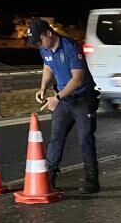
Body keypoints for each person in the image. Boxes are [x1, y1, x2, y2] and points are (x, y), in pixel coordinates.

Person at [27, 19, 100, 193]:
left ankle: (92, 180)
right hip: (64, 101)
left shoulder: (70, 47)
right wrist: (43, 87)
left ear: (49, 33)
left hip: (82, 100)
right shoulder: (45, 49)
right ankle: (49, 178)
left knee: (85, 140)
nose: (38, 45)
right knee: (56, 137)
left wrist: (57, 97)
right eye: (35, 42)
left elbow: (77, 79)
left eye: (39, 40)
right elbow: (48, 66)